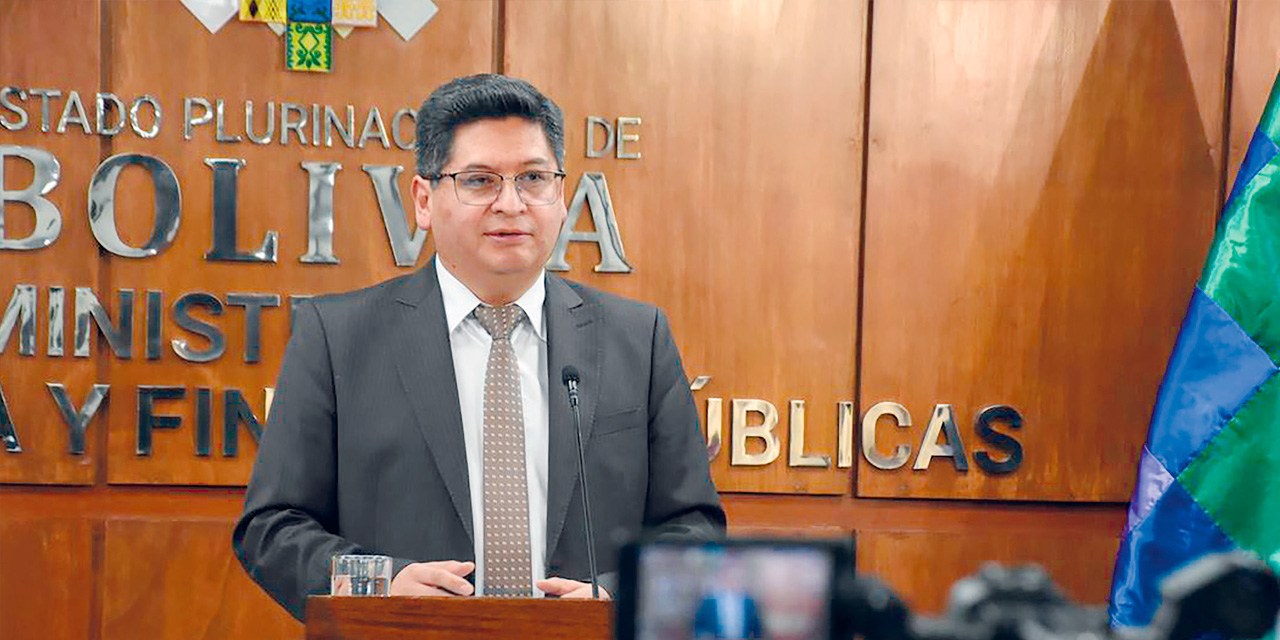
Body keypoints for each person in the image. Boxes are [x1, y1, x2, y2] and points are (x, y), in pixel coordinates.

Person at [232, 74, 725, 621]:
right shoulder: (337, 336)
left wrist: (616, 598)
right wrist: (381, 586)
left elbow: (695, 528)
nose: (510, 204)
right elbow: (272, 528)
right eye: (480, 180)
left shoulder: (638, 337)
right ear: (424, 199)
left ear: (561, 197)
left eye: (533, 178)